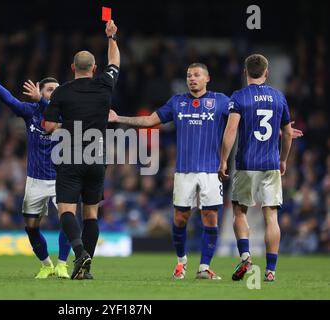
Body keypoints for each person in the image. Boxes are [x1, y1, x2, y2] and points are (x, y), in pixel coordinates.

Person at [109, 63, 228, 280]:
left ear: (207, 78)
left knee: (210, 218)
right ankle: (181, 262)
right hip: (183, 171)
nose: (192, 78)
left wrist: (278, 128)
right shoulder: (177, 102)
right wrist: (119, 118)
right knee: (180, 218)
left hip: (211, 171)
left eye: (197, 75)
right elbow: (148, 121)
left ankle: (204, 267)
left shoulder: (221, 101)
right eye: (189, 75)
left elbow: (241, 119)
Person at [43, 20, 120, 280]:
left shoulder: (61, 93)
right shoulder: (104, 85)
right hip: (96, 155)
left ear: (73, 68)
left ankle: (79, 252)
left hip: (70, 154)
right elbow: (115, 63)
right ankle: (86, 269)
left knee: (66, 210)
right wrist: (111, 37)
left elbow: (50, 125)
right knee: (91, 213)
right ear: (95, 69)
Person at [0, 65, 72, 279]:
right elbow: (10, 101)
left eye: (57, 90)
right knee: (31, 227)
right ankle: (46, 265)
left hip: (61, 178)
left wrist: (42, 99)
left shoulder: (65, 113)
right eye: (50, 90)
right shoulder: (31, 112)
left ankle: (62, 265)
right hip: (35, 180)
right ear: (40, 91)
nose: (54, 94)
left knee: (67, 220)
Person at [218, 54, 294, 282]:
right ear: (266, 73)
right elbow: (288, 132)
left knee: (239, 211)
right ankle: (270, 271)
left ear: (245, 72)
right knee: (271, 216)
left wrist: (223, 159)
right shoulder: (279, 97)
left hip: (246, 164)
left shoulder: (239, 97)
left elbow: (231, 131)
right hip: (271, 164)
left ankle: (246, 256)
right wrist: (283, 159)